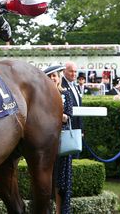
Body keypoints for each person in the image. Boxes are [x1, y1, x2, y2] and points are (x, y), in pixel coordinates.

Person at [45, 65, 75, 214]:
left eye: (54, 76)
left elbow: (68, 116)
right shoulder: (41, 95)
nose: (52, 78)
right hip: (45, 140)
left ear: (59, 77)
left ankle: (59, 210)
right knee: (46, 178)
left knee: (60, 180)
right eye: (49, 76)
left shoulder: (66, 94)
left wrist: (61, 116)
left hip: (62, 140)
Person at [60, 62, 83, 130]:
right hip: (66, 127)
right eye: (71, 71)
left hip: (77, 126)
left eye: (75, 71)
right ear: (64, 71)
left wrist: (81, 128)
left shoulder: (76, 86)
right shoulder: (60, 86)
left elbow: (79, 106)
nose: (74, 74)